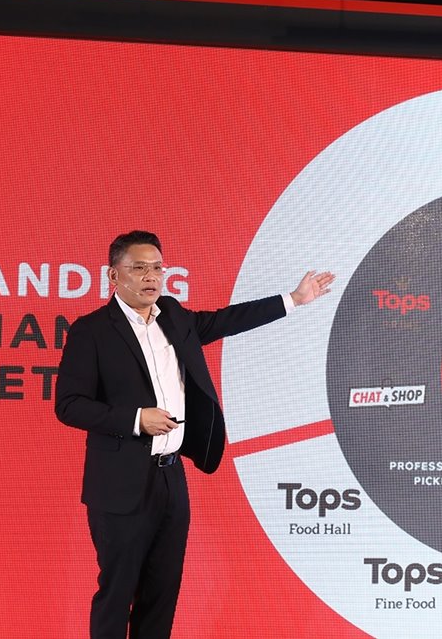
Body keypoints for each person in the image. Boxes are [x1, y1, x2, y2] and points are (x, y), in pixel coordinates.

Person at [54, 230, 334, 639]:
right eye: (139, 268)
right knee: (117, 592)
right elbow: (69, 405)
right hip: (119, 482)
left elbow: (227, 320)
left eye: (157, 268)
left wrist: (293, 299)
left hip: (170, 477)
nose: (151, 277)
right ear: (113, 276)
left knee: (162, 592)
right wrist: (137, 419)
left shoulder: (174, 316)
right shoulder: (91, 331)